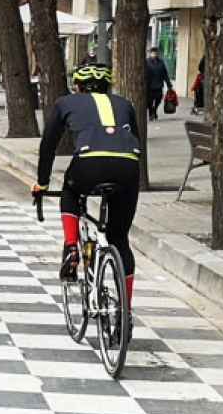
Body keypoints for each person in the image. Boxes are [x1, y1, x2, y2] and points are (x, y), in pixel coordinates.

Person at [31, 63, 142, 305]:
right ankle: (126, 312)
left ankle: (71, 246)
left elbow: (48, 145)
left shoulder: (65, 103)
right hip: (128, 167)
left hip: (88, 164)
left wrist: (42, 182)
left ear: (78, 88)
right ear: (107, 87)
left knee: (70, 192)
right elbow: (136, 139)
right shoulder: (125, 104)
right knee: (119, 238)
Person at [143, 47, 172, 120]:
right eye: (153, 53)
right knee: (149, 101)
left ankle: (154, 109)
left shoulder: (161, 62)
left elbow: (165, 74)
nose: (154, 54)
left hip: (159, 85)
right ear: (150, 53)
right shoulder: (146, 62)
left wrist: (169, 84)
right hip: (149, 86)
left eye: (156, 53)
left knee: (158, 99)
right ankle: (150, 112)